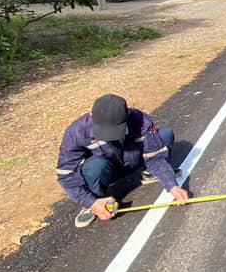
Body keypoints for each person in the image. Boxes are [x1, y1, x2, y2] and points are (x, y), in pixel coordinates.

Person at [56, 93, 189, 228]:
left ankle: (149, 173)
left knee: (164, 135)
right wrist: (89, 202)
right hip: (107, 170)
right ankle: (97, 202)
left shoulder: (140, 120)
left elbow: (155, 156)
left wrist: (171, 185)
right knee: (94, 167)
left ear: (127, 116)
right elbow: (67, 176)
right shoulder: (76, 132)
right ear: (91, 116)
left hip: (135, 159)